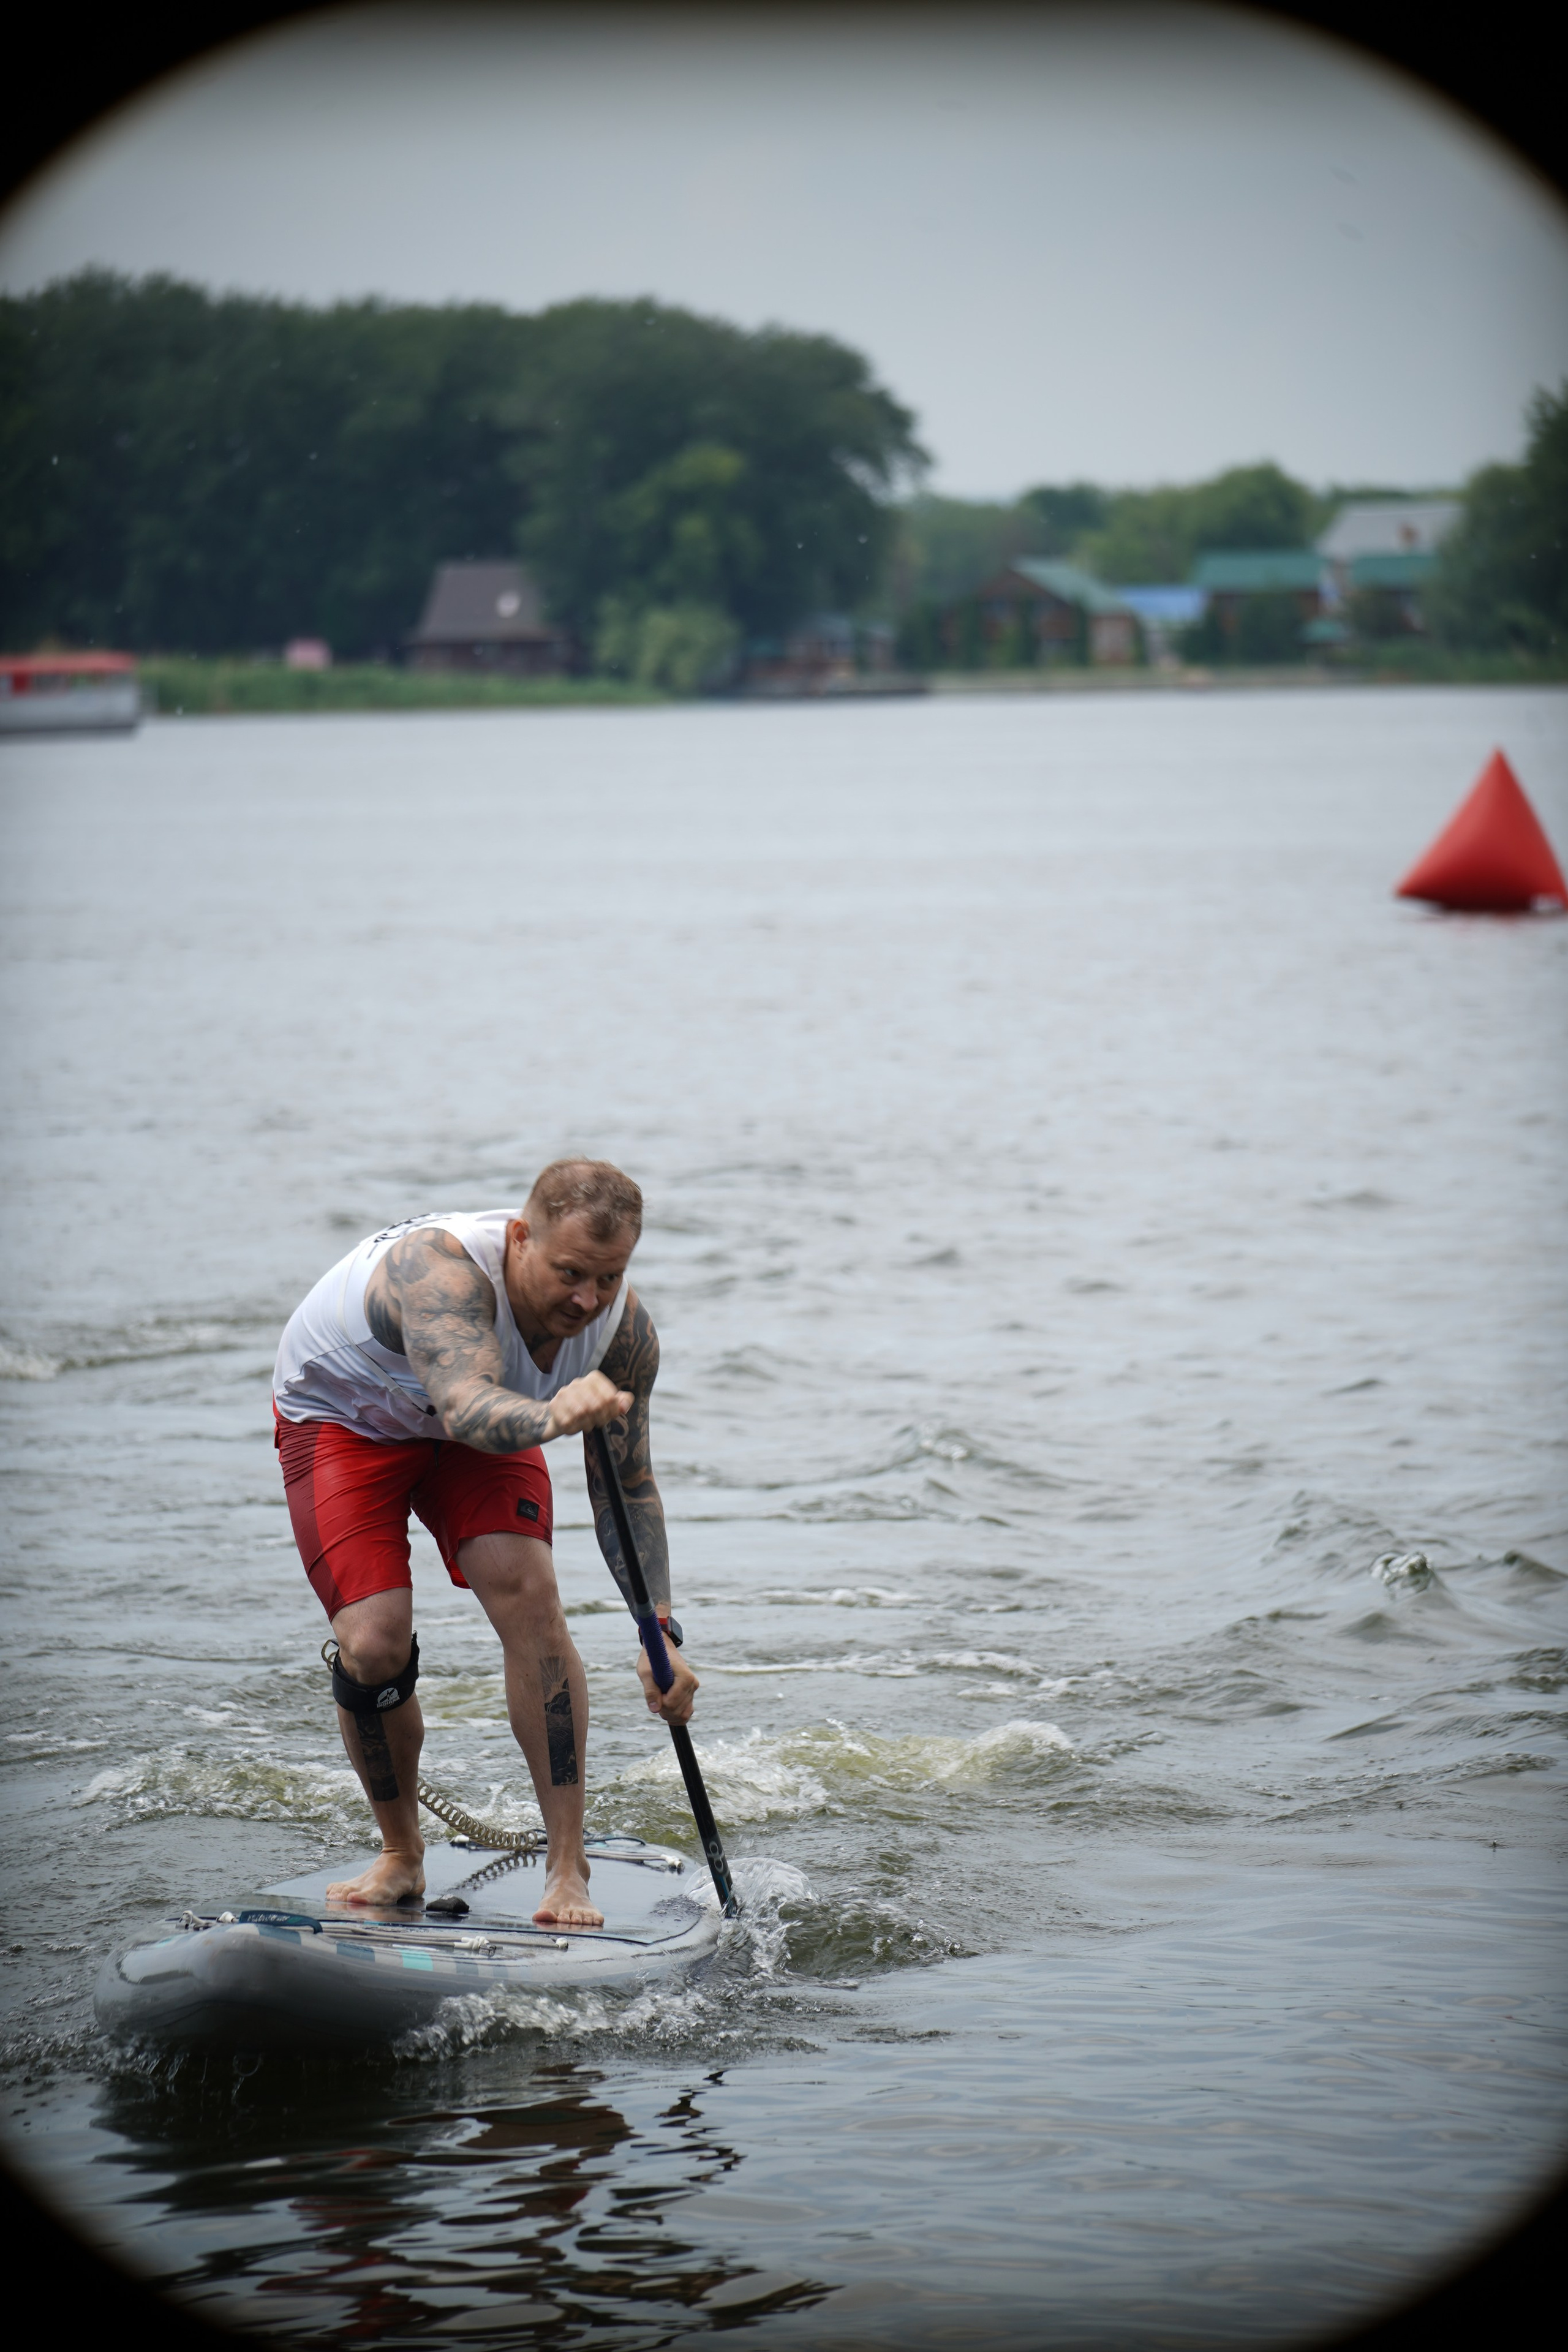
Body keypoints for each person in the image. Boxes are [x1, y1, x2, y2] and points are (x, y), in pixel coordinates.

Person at [271, 1158, 697, 1927]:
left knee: (530, 1598)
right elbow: (468, 1408)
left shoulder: (622, 1332)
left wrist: (656, 1629)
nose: (587, 1300)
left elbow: (628, 1485)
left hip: (488, 1425)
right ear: (519, 1239)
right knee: (373, 1643)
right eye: (570, 1273)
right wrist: (556, 1417)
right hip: (346, 1421)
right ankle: (401, 1855)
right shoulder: (440, 1274)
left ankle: (568, 1868)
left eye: (609, 1277)